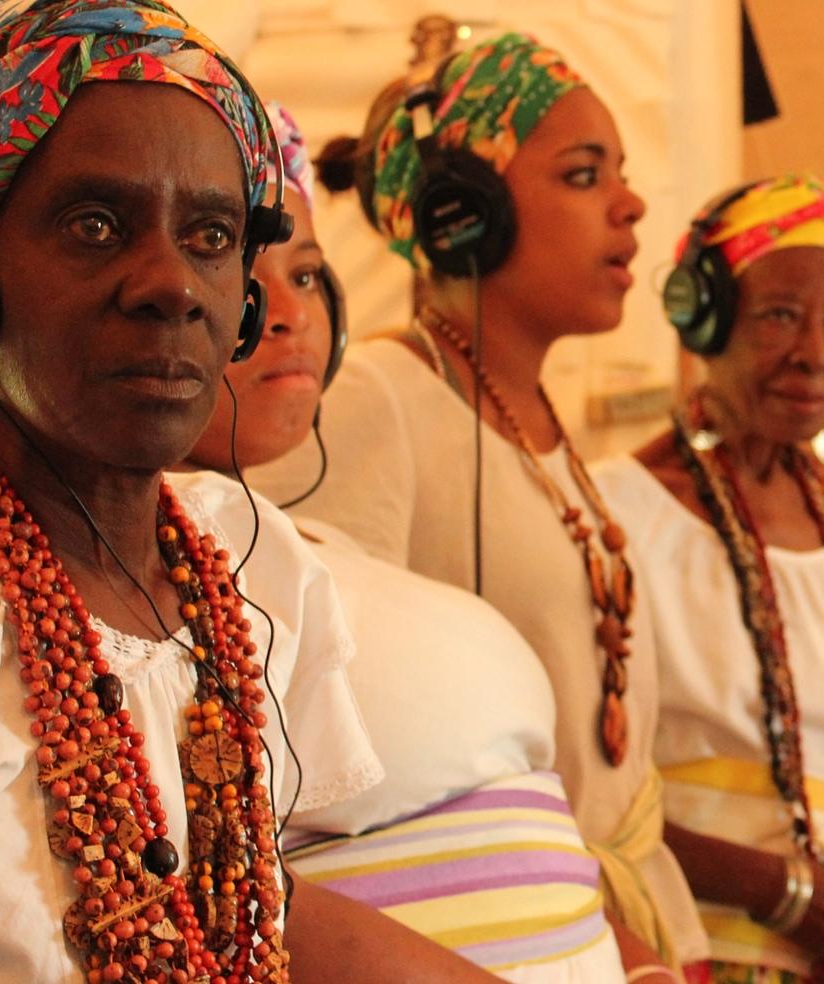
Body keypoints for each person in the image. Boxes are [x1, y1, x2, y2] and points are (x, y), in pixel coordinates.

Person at [0, 0, 502, 983]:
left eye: (208, 237)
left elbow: (239, 909)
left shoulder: (249, 577)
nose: (171, 285)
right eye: (96, 226)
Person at [245, 31, 707, 974]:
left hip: (615, 925)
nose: (631, 204)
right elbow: (326, 741)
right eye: (584, 176)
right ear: (463, 218)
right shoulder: (379, 397)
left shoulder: (542, 424)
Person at [183, 103, 627, 982]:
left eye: (308, 276)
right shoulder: (132, 579)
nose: (286, 315)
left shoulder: (301, 544)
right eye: (242, 275)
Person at [591, 173, 824, 983]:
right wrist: (782, 891)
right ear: (705, 316)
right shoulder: (611, 514)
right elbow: (587, 795)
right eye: (779, 316)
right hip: (688, 945)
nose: (814, 354)